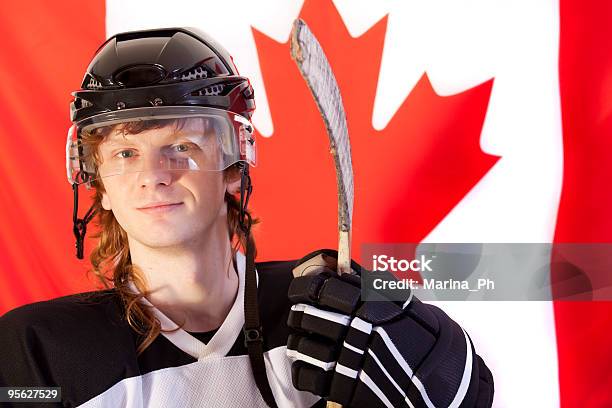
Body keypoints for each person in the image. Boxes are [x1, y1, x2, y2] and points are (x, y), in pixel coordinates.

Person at [0, 28, 494, 408]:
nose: (153, 175)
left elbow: (472, 392)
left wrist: (432, 358)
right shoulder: (38, 352)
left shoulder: (327, 311)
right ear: (98, 183)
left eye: (181, 147)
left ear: (234, 168)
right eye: (125, 154)